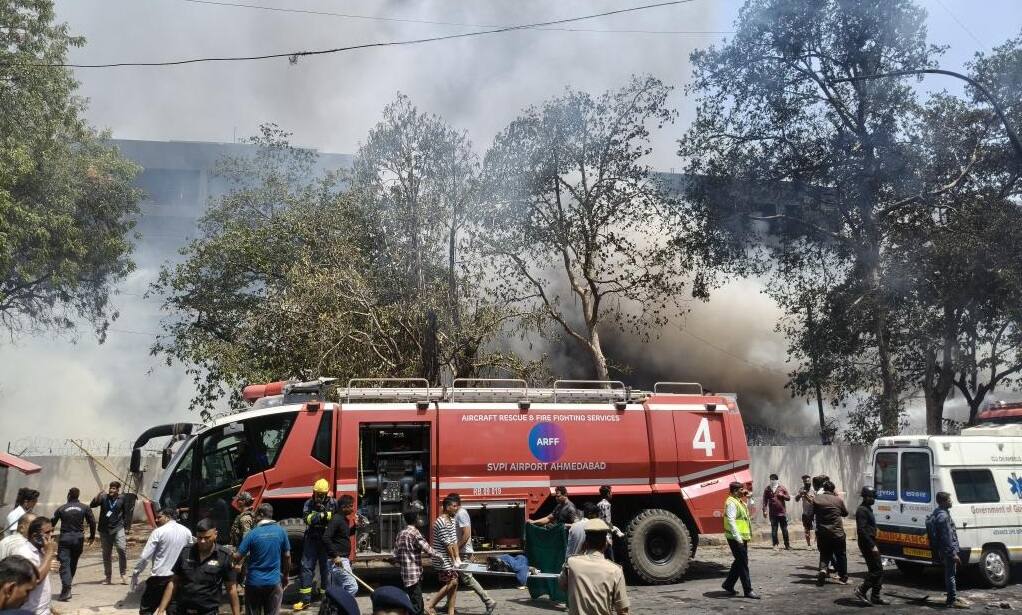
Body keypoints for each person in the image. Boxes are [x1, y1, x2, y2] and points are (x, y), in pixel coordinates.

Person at [156, 518, 240, 615]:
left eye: (207, 537)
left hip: (207, 611)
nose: (203, 541)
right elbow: (174, 582)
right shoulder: (186, 552)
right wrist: (161, 610)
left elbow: (231, 589)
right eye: (199, 538)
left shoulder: (223, 556)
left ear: (215, 534)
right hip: (182, 610)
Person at [558, 518, 629, 615]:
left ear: (585, 542)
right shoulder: (615, 570)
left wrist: (581, 551)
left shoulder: (570, 564)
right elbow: (623, 610)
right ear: (605, 543)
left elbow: (562, 586)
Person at [133, 507, 193, 615]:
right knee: (173, 610)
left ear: (167, 517)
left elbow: (145, 556)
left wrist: (136, 572)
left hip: (159, 578)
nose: (156, 520)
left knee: (146, 610)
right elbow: (190, 553)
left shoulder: (158, 532)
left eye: (159, 517)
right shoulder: (187, 532)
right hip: (178, 578)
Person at [235, 503, 291, 615]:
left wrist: (226, 552)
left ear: (261, 514)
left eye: (256, 514)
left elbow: (238, 556)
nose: (254, 517)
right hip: (274, 583)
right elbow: (287, 556)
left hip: (253, 584)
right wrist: (285, 576)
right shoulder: (281, 531)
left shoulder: (252, 534)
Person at [448, 494, 496, 615]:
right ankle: (449, 605)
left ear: (456, 504)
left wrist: (456, 548)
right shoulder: (457, 514)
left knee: (467, 578)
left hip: (464, 552)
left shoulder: (461, 513)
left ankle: (488, 601)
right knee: (452, 578)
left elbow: (467, 534)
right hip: (462, 551)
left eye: (450, 504)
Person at [294, 479, 337, 611]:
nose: (318, 496)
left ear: (326, 494)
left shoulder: (333, 502)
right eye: (316, 493)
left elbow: (336, 519)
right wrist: (324, 515)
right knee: (306, 567)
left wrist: (319, 516)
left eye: (321, 494)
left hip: (325, 540)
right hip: (311, 539)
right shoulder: (308, 503)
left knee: (326, 569)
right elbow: (307, 519)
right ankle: (305, 600)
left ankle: (327, 600)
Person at [50, 487, 96, 601]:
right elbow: (92, 522)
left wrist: (48, 535)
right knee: (73, 563)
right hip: (78, 539)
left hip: (65, 539)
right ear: (78, 496)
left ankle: (66, 588)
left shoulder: (62, 508)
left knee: (64, 564)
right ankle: (67, 587)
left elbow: (52, 523)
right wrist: (92, 536)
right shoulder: (84, 507)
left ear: (68, 495)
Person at [393, 509, 438, 615]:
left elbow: (395, 554)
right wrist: (439, 555)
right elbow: (427, 549)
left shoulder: (401, 533)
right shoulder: (415, 533)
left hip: (405, 573)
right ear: (416, 520)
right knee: (416, 604)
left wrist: (401, 561)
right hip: (414, 574)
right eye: (418, 517)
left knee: (415, 599)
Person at [722, 482, 759, 599]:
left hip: (741, 537)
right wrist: (738, 538)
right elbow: (732, 521)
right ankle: (748, 590)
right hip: (735, 538)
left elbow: (752, 511)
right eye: (741, 490)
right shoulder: (731, 503)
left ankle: (728, 584)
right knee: (743, 563)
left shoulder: (739, 501)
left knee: (739, 561)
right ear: (734, 491)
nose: (743, 491)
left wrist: (750, 498)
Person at [12, 517, 57, 615]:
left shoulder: (40, 550)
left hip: (44, 610)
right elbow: (35, 579)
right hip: (32, 611)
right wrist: (50, 552)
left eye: (52, 530)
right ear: (35, 536)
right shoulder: (25, 553)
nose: (52, 535)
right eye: (47, 532)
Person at [425, 495, 461, 615]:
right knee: (452, 582)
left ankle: (451, 611)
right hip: (442, 559)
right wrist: (453, 558)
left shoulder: (451, 520)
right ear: (447, 507)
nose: (457, 508)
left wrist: (457, 557)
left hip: (449, 558)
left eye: (457, 506)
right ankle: (430, 605)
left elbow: (454, 541)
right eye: (454, 506)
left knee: (454, 583)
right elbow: (447, 544)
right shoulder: (440, 521)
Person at [930, 491, 966, 609]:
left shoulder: (938, 512)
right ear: (944, 502)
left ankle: (951, 597)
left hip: (943, 549)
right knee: (950, 574)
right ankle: (952, 599)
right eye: (949, 500)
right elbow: (947, 537)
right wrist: (953, 553)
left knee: (949, 573)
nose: (951, 502)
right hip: (948, 550)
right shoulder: (944, 516)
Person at [852, 487, 887, 606]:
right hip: (867, 543)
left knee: (878, 570)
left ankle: (875, 596)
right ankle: (861, 590)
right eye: (871, 497)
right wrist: (872, 545)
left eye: (873, 497)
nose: (873, 499)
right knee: (876, 570)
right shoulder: (862, 510)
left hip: (871, 541)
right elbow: (861, 530)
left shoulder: (867, 509)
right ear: (865, 497)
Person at [91, 481, 128, 585]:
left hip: (118, 528)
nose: (111, 490)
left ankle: (123, 574)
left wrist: (126, 526)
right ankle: (108, 577)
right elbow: (92, 505)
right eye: (111, 488)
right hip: (104, 530)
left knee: (121, 549)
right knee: (106, 553)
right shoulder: (104, 498)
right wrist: (99, 494)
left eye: (114, 488)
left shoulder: (122, 498)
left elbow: (125, 513)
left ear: (117, 490)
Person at [813, 480, 848, 585]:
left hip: (823, 532)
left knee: (824, 553)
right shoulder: (838, 500)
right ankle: (843, 576)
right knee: (841, 555)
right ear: (833, 489)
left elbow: (812, 513)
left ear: (824, 489)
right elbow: (845, 513)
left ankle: (823, 570)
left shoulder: (816, 499)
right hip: (837, 533)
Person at [324, 495, 358, 598]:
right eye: (351, 506)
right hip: (339, 561)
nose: (353, 509)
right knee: (352, 587)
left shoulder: (343, 520)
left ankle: (337, 608)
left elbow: (344, 535)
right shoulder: (336, 519)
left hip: (341, 559)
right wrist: (335, 556)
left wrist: (355, 526)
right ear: (344, 507)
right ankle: (344, 604)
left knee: (337, 590)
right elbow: (326, 537)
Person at [794, 475, 815, 547]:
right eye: (805, 481)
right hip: (805, 513)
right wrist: (800, 494)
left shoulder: (814, 490)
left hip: (814, 513)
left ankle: (817, 543)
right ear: (803, 482)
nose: (806, 482)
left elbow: (812, 502)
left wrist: (805, 495)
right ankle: (809, 545)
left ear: (810, 481)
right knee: (806, 530)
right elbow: (796, 500)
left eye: (807, 481)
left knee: (817, 530)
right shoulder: (801, 489)